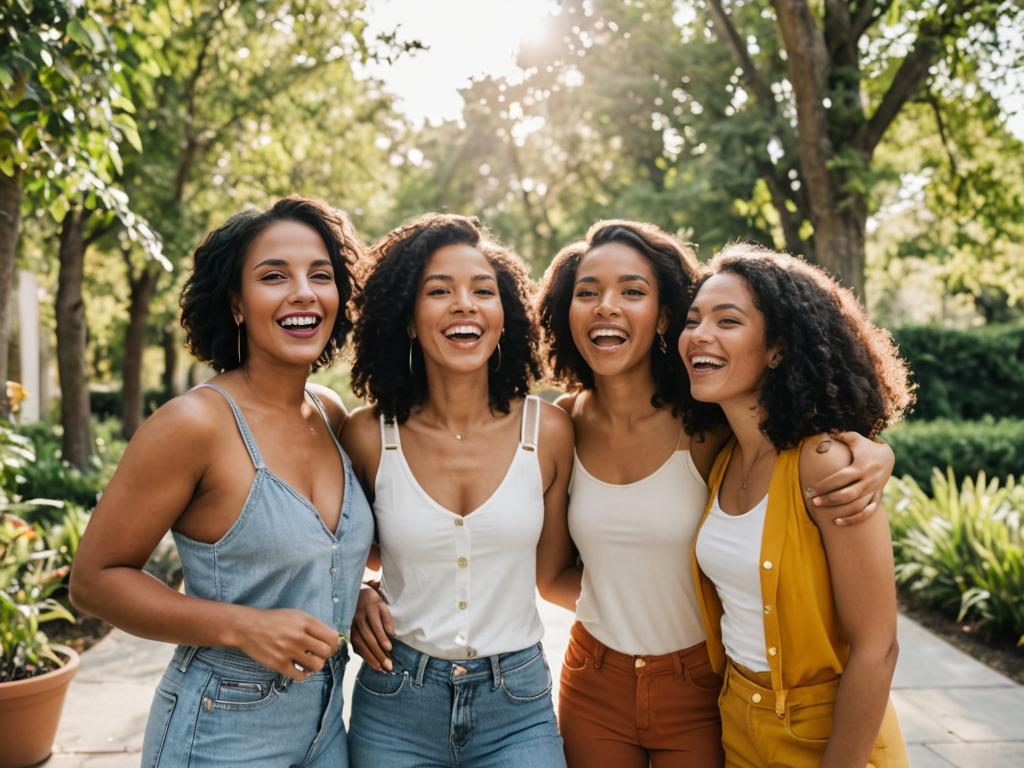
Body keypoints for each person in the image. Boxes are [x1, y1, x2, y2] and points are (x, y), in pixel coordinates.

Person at [536, 221, 898, 768]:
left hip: (705, 684)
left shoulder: (711, 428)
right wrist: (623, 607)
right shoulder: (562, 424)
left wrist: (875, 453)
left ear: (660, 317)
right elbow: (552, 573)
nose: (606, 306)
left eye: (632, 291)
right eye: (587, 292)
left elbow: (802, 437)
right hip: (601, 676)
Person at [69, 196, 374, 767]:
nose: (303, 291)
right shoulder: (194, 425)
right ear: (236, 304)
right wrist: (242, 626)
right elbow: (94, 580)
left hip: (327, 722)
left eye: (321, 275)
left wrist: (351, 596)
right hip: (220, 728)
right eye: (273, 276)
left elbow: (307, 558)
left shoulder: (329, 413)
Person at [341, 213, 577, 768]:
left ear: (504, 317)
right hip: (395, 700)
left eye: (482, 291)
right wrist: (354, 595)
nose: (464, 304)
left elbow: (557, 572)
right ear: (406, 318)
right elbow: (336, 553)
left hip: (516, 705)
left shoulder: (549, 434)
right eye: (439, 291)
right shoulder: (366, 436)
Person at [683, 243, 914, 767]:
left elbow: (878, 647)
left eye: (727, 320)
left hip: (830, 737)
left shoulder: (825, 463)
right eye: (693, 319)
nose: (700, 334)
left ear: (779, 348)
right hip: (738, 724)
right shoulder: (723, 458)